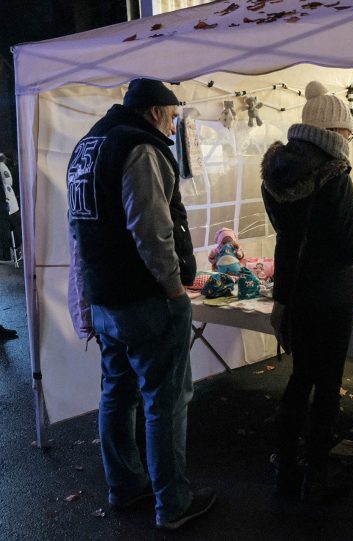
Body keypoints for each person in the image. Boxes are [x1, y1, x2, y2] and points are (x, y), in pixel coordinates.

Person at [66, 78, 215, 530]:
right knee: (165, 401)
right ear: (153, 112)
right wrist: (173, 287)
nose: (172, 129)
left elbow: (79, 229)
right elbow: (150, 228)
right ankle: (172, 503)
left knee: (117, 393)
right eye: (171, 118)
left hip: (107, 296)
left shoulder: (88, 146)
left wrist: (86, 297)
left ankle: (125, 486)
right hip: (145, 298)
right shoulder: (141, 148)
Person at [261, 81, 353, 511]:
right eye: (347, 132)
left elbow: (295, 237)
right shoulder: (334, 175)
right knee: (325, 388)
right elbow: (345, 247)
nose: (349, 140)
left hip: (292, 290)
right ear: (335, 132)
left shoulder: (276, 171)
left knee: (299, 378)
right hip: (329, 296)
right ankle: (316, 480)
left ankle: (285, 471)